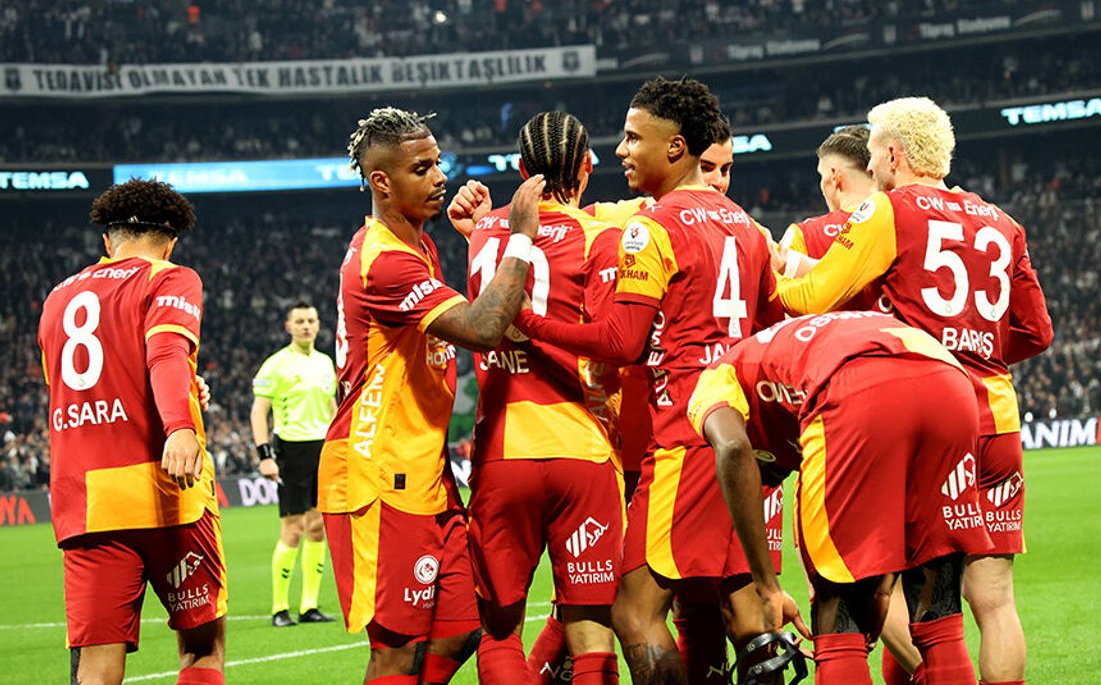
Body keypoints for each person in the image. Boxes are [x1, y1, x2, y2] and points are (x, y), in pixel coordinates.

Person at [512, 77, 784, 684]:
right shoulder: (745, 225)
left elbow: (621, 341)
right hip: (735, 437)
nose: (621, 150)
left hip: (684, 438)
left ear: (675, 146)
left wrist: (529, 321)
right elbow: (770, 333)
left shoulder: (651, 226)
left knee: (632, 610)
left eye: (634, 137)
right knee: (742, 608)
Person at [775, 96, 1054, 685]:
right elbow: (1035, 331)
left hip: (922, 416)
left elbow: (812, 298)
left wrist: (777, 273)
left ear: (893, 154)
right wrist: (976, 346)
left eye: (874, 151)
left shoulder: (888, 210)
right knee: (995, 599)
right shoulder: (1002, 222)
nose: (871, 164)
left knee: (903, 584)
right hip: (996, 418)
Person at [320, 106, 543, 685]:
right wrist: (518, 235)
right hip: (377, 472)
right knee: (395, 650)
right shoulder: (383, 260)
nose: (441, 177)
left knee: (463, 626)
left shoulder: (416, 246)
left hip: (425, 471)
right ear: (381, 182)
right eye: (422, 169)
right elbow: (482, 327)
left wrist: (481, 232)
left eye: (438, 163)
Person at [689, 310, 994, 684]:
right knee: (940, 609)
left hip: (854, 383)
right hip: (948, 377)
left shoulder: (715, 377)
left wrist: (767, 587)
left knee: (838, 615)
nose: (770, 480)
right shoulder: (788, 352)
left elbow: (734, 450)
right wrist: (882, 586)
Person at [37, 179, 226, 685]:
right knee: (202, 648)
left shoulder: (57, 297)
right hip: (164, 489)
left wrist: (183, 390)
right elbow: (165, 352)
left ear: (107, 240)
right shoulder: (171, 277)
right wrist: (180, 425)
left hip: (85, 501)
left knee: (97, 668)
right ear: (171, 243)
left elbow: (75, 387)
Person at [463, 111, 625, 685]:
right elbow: (610, 344)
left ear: (521, 168)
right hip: (581, 448)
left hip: (502, 452)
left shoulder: (484, 234)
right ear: (586, 167)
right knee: (590, 628)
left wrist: (480, 224)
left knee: (499, 632)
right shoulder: (600, 236)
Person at [250, 301, 337, 627]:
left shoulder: (326, 363)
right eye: (300, 321)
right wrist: (264, 456)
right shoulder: (275, 365)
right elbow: (259, 411)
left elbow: (331, 407)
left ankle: (309, 605)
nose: (306, 326)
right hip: (291, 450)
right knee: (293, 529)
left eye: (311, 320)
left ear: (318, 324)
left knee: (317, 527)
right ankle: (280, 608)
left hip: (322, 449)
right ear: (288, 326)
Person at [776, 125, 875, 276]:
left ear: (835, 177)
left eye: (822, 176)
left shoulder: (804, 235)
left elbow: (776, 286)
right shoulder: (903, 222)